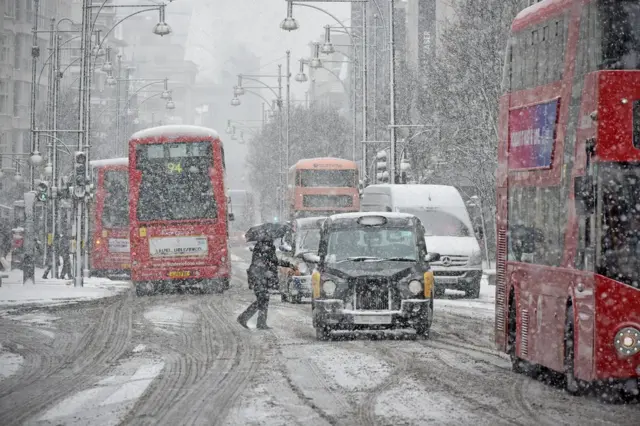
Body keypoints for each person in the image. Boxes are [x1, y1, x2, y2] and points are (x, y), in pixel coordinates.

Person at [237, 239, 282, 330]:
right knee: (263, 299)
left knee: (263, 299)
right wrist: (289, 264)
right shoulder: (266, 247)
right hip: (260, 277)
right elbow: (274, 261)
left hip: (259, 276)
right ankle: (245, 318)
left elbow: (270, 261)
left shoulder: (261, 245)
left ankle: (259, 322)